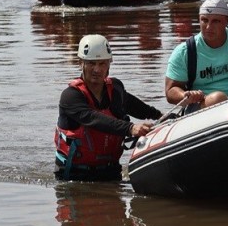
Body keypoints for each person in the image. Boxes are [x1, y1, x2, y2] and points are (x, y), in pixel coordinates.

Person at [55, 34, 162, 181]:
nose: (97, 70)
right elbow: (93, 119)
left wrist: (162, 117)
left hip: (111, 171)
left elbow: (140, 108)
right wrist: (131, 128)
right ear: (81, 63)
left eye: (102, 63)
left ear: (109, 64)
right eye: (91, 63)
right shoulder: (70, 96)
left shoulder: (116, 89)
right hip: (75, 175)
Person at [164, 0, 228, 112]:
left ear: (227, 21)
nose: (208, 27)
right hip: (204, 105)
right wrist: (185, 95)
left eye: (215, 21)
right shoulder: (184, 52)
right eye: (204, 20)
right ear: (199, 19)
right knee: (218, 98)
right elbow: (170, 91)